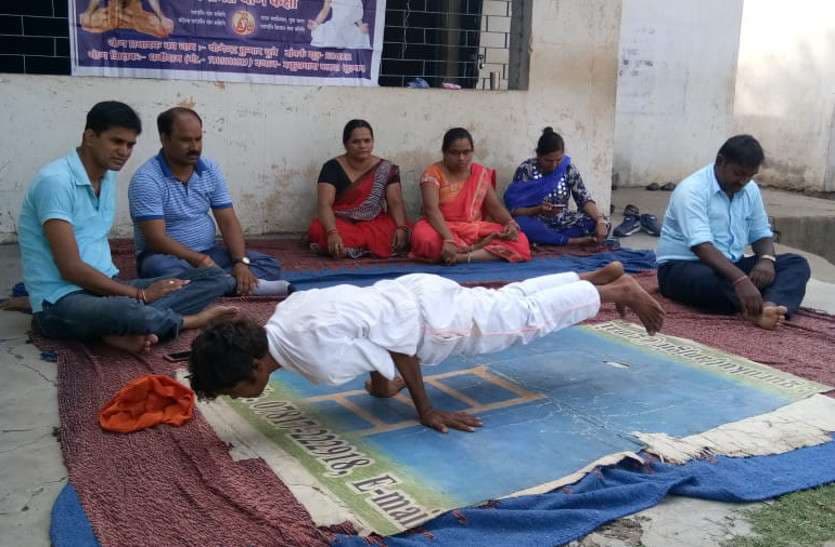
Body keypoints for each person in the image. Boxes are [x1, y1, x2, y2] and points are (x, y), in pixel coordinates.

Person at [188, 261, 664, 433]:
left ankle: (614, 293)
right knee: (502, 301)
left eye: (232, 391)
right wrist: (379, 386)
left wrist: (425, 410)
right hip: (412, 291)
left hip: (429, 323)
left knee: (519, 320)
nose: (236, 398)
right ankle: (592, 277)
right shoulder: (286, 317)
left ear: (252, 370)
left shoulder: (311, 362)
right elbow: (365, 337)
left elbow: (399, 352)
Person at [18, 101, 236, 353]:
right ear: (90, 137)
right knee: (127, 310)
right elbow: (71, 269)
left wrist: (137, 294)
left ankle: (117, 328)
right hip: (62, 298)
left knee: (216, 276)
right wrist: (139, 295)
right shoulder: (55, 182)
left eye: (130, 144)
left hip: (105, 289)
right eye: (116, 142)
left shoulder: (107, 176)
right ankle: (184, 321)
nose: (124, 151)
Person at [129, 107, 291, 297]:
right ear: (164, 139)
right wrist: (198, 259)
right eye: (185, 140)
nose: (194, 147)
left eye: (198, 139)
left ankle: (214, 284)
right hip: (165, 257)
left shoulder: (209, 169)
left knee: (268, 264)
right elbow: (156, 239)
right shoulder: (147, 179)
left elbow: (227, 220)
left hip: (209, 253)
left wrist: (240, 262)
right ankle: (236, 284)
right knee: (161, 270)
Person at [656, 135, 811, 330]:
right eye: (738, 173)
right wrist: (741, 280)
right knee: (711, 284)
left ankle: (771, 307)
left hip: (730, 266)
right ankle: (752, 309)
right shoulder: (691, 190)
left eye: (749, 176)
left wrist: (766, 260)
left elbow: (761, 233)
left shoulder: (750, 189)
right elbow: (701, 247)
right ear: (720, 161)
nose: (743, 181)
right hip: (683, 267)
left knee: (795, 264)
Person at [410, 128, 532, 264]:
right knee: (426, 239)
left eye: (466, 152)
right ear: (444, 152)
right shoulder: (432, 174)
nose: (461, 158)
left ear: (472, 151)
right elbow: (431, 211)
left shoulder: (479, 173)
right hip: (442, 227)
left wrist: (511, 224)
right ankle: (477, 251)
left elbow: (495, 207)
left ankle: (462, 257)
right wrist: (448, 238)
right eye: (454, 153)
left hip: (474, 229)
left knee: (520, 240)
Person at [307, 120, 410, 259]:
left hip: (374, 222)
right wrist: (332, 232)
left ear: (373, 142)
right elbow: (324, 204)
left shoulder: (386, 168)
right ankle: (353, 246)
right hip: (340, 221)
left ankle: (348, 248)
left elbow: (395, 202)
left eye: (367, 141)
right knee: (319, 229)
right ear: (346, 144)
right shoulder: (331, 167)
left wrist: (401, 228)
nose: (362, 146)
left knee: (406, 233)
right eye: (356, 142)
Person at [505, 127, 608, 247]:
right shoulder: (526, 170)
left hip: (563, 221)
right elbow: (515, 211)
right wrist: (538, 210)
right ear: (538, 155)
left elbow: (584, 199)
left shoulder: (568, 168)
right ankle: (569, 241)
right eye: (548, 160)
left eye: (558, 160)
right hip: (537, 222)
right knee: (519, 223)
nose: (554, 165)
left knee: (600, 222)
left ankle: (551, 240)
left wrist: (600, 220)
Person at [79, 0, 174, 38]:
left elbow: (152, 0)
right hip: (113, 14)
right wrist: (88, 13)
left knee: (165, 28)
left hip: (135, 16)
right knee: (84, 20)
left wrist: (162, 18)